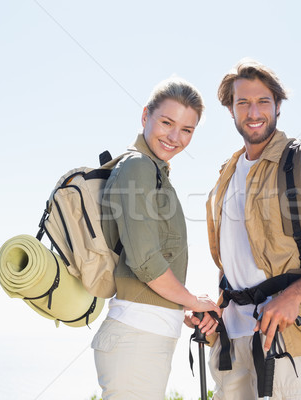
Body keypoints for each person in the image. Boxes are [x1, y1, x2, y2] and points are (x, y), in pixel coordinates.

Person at [205, 59, 301, 399]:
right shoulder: (226, 174)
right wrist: (213, 311)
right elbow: (233, 260)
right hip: (231, 344)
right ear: (230, 110)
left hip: (289, 340)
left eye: (263, 101)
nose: (253, 112)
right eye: (242, 102)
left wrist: (293, 296)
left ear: (278, 106)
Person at [91, 77, 221, 400]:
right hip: (136, 339)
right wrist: (192, 300)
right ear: (145, 116)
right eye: (167, 122)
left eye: (187, 130)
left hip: (146, 338)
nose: (175, 137)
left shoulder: (156, 172)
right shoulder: (138, 168)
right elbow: (145, 261)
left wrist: (183, 307)